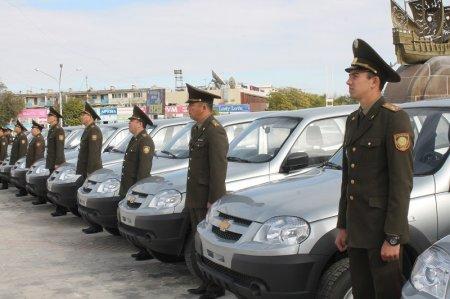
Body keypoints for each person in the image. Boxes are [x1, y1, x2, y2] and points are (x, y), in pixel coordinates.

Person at [335, 39, 414, 299]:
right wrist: (343, 225)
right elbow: (349, 178)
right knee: (363, 293)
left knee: (386, 293)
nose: (348, 81)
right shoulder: (353, 120)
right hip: (357, 230)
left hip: (381, 231)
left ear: (374, 81)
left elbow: (401, 182)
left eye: (355, 76)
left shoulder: (393, 118)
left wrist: (393, 237)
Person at [184, 84, 227, 299]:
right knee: (197, 240)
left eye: (191, 105)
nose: (188, 108)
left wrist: (214, 200)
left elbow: (218, 168)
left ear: (203, 106)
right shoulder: (197, 129)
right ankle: (204, 281)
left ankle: (214, 287)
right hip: (195, 196)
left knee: (207, 242)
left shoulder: (215, 130)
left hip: (206, 198)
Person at [119, 105, 155, 260]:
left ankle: (146, 250)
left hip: (136, 188)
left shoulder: (145, 141)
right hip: (129, 187)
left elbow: (143, 170)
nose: (129, 124)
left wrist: (139, 191)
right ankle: (141, 248)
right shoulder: (135, 140)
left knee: (138, 221)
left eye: (131, 121)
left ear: (140, 123)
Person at [78, 103, 104, 234]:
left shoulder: (94, 130)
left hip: (92, 170)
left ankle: (96, 225)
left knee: (90, 198)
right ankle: (92, 223)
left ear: (90, 116)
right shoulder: (88, 130)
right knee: (86, 198)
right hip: (87, 169)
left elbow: (94, 154)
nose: (81, 117)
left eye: (83, 115)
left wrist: (91, 172)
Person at [46, 107, 67, 216]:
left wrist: (58, 163)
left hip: (56, 163)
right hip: (52, 162)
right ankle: (59, 207)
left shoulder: (59, 130)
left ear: (55, 118)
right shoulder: (52, 129)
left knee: (57, 186)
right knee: (53, 186)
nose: (48, 118)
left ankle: (61, 209)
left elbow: (60, 148)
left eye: (50, 116)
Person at [21, 120, 45, 198]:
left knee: (37, 181)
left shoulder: (39, 139)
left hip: (35, 164)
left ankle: (41, 198)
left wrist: (35, 165)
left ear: (38, 130)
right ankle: (37, 196)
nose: (31, 130)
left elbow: (38, 154)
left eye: (33, 129)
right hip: (32, 163)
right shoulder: (35, 138)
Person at [10, 120, 28, 196]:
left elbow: (22, 151)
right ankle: (21, 190)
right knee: (17, 176)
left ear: (19, 128)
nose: (14, 128)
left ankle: (23, 191)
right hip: (15, 160)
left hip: (19, 160)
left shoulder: (22, 137)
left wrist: (19, 162)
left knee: (20, 176)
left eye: (16, 127)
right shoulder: (18, 136)